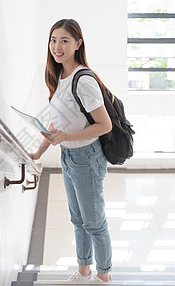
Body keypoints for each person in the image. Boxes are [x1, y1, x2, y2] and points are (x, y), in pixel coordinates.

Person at [29, 19, 113, 283]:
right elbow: (59, 121)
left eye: (64, 40)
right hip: (69, 156)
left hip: (87, 158)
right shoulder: (61, 76)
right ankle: (84, 271)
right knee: (78, 220)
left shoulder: (83, 79)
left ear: (78, 44)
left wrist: (67, 137)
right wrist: (39, 151)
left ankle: (104, 276)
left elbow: (104, 125)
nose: (57, 46)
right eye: (53, 40)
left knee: (95, 223)